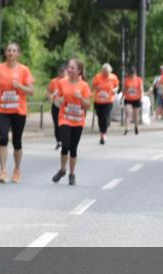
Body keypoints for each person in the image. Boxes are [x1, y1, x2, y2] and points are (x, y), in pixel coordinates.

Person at [0, 42, 34, 183]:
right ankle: (3, 171)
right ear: (5, 53)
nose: (11, 53)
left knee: (17, 142)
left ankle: (17, 170)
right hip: (1, 109)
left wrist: (19, 86)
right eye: (9, 50)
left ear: (18, 54)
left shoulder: (24, 70)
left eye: (14, 51)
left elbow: (31, 91)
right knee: (3, 138)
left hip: (18, 110)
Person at [51, 58, 92, 186]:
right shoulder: (62, 83)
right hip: (65, 118)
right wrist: (60, 100)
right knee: (65, 145)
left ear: (79, 71)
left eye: (72, 68)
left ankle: (72, 174)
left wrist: (81, 98)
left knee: (73, 148)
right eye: (68, 67)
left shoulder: (84, 85)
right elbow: (57, 102)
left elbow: (88, 105)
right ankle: (62, 169)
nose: (69, 69)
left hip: (78, 120)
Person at [91, 63, 119, 144]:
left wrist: (115, 90)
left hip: (108, 100)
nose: (106, 75)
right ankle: (102, 132)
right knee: (100, 117)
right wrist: (96, 88)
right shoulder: (98, 77)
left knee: (105, 116)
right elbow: (92, 87)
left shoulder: (113, 77)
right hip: (98, 100)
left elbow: (117, 86)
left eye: (107, 73)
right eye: (104, 73)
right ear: (102, 71)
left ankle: (103, 135)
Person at [47, 64, 67, 150]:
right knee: (57, 124)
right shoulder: (53, 81)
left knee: (65, 125)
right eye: (60, 71)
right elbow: (48, 95)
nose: (61, 73)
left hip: (66, 107)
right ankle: (59, 141)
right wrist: (52, 94)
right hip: (56, 105)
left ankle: (64, 141)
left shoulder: (69, 81)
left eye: (63, 71)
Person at [122, 67, 143, 135]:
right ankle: (127, 128)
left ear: (135, 74)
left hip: (136, 98)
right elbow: (124, 89)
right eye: (131, 75)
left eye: (133, 74)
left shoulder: (139, 80)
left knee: (135, 115)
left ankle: (136, 127)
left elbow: (141, 89)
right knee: (128, 113)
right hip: (128, 98)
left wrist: (142, 97)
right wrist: (122, 97)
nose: (132, 76)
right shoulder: (126, 80)